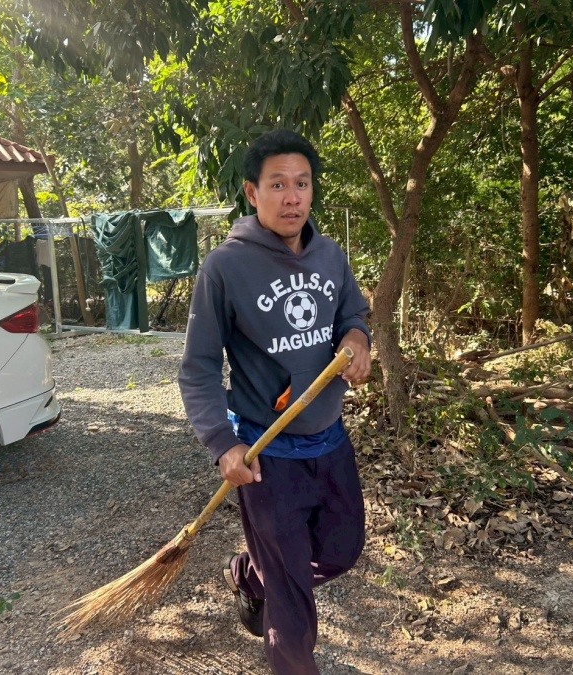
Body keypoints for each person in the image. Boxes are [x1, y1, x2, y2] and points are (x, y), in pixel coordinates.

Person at [178, 129, 371, 674]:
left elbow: (352, 314)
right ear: (252, 192)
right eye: (278, 184)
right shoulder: (225, 267)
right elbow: (197, 367)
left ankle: (249, 572)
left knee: (342, 550)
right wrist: (223, 444)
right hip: (269, 455)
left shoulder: (329, 255)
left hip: (330, 441)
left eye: (302, 184)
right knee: (290, 601)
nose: (292, 197)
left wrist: (357, 340)